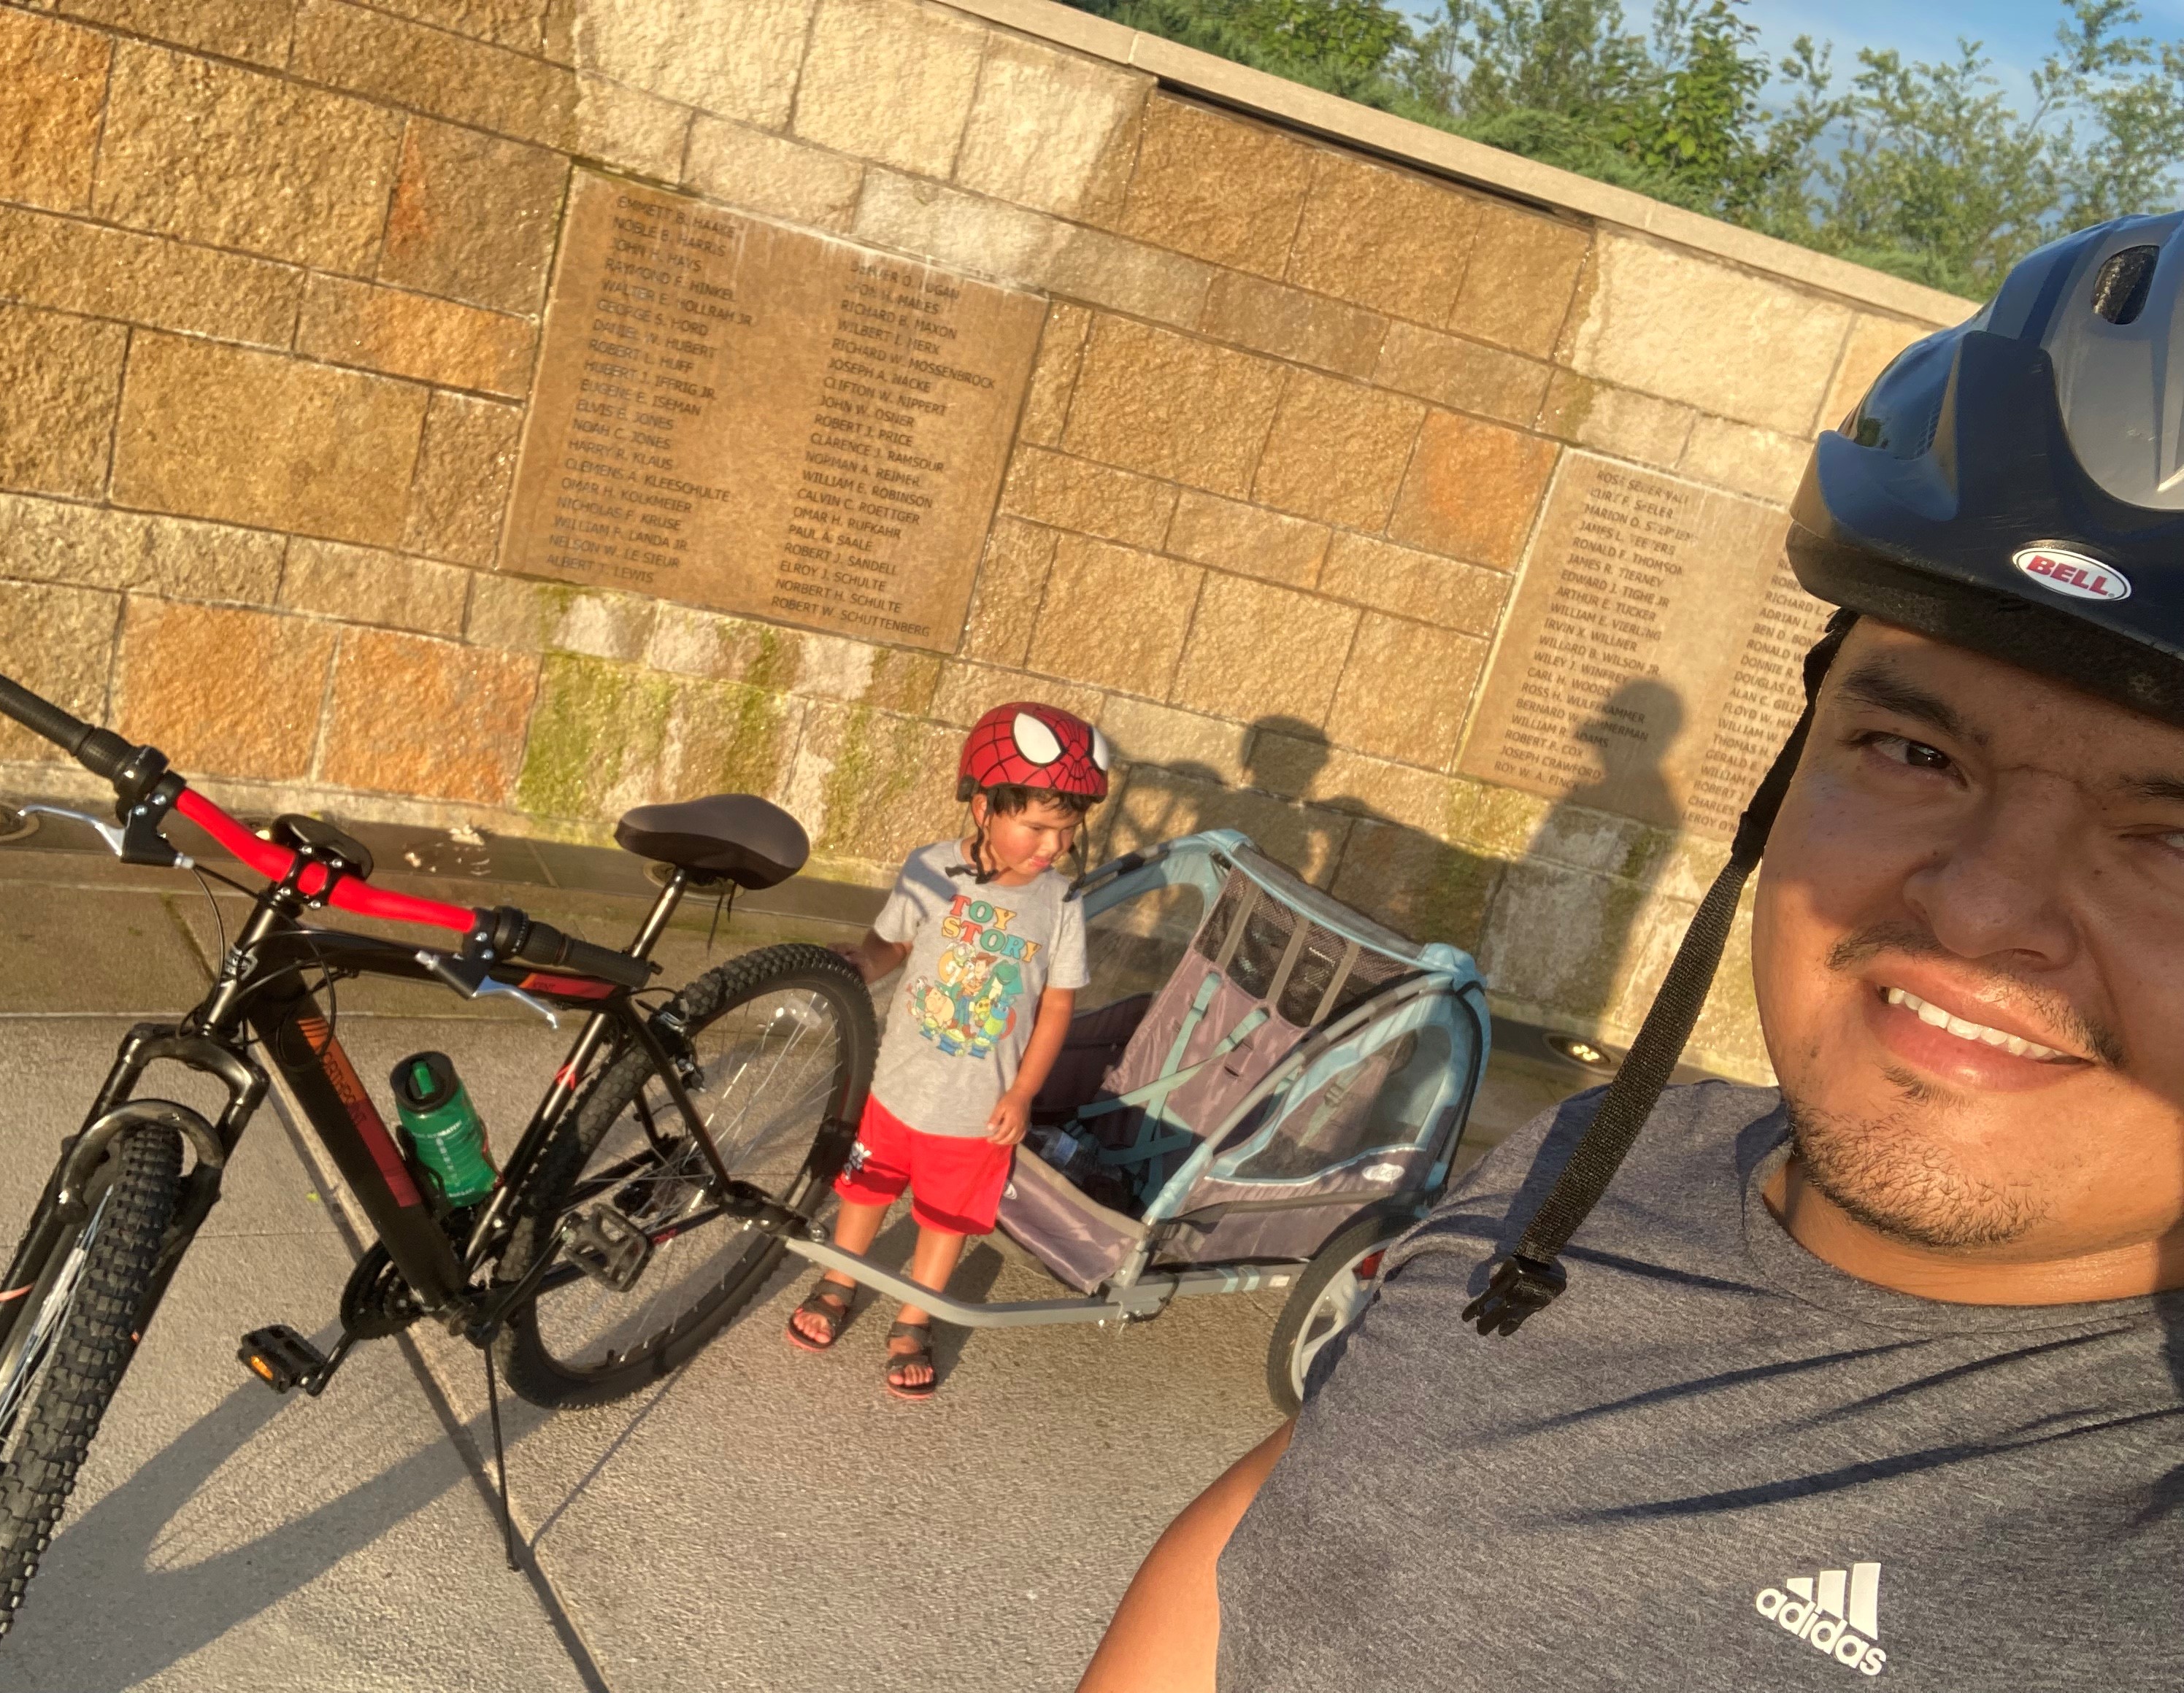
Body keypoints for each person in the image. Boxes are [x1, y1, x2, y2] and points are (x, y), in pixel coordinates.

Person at [1080, 216, 2184, 1687]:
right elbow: (1288, 1523)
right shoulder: (1605, 1146)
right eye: (1912, 746)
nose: (1980, 911)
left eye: (2172, 837)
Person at [788, 701, 1109, 1398]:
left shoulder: (1062, 903)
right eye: (1037, 828)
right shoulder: (930, 868)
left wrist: (1022, 1094)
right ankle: (842, 1279)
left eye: (1067, 831)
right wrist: (864, 965)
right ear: (985, 806)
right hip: (895, 1087)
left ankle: (914, 1317)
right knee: (865, 1190)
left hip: (978, 1111)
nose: (1052, 847)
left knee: (946, 1217)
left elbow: (1057, 1003)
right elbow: (894, 944)